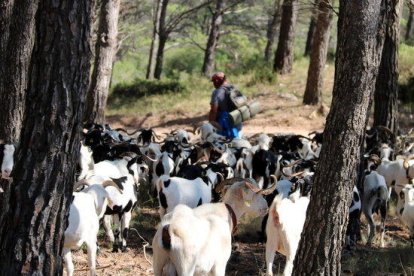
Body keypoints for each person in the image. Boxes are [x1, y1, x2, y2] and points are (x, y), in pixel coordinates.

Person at [208, 72, 242, 139]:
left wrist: (211, 124)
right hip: (237, 119)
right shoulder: (234, 88)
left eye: (214, 81)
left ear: (217, 81)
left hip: (225, 123)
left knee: (225, 143)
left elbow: (213, 110)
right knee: (236, 141)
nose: (213, 83)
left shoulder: (217, 92)